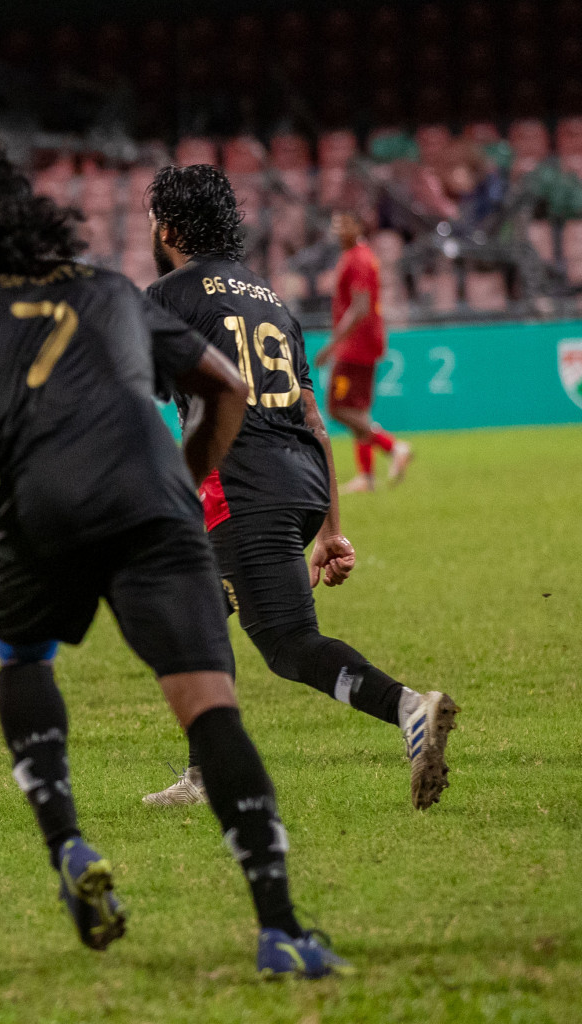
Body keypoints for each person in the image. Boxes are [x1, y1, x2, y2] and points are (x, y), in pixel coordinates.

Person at [0, 131, 349, 977]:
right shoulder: (114, 289)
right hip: (156, 506)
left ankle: (69, 846)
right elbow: (227, 389)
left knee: (24, 659)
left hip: (43, 504)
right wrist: (183, 481)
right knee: (211, 706)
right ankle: (281, 927)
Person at [142, 165, 459, 811]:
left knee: (288, 644)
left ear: (170, 227)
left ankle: (409, 708)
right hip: (301, 481)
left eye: (154, 219)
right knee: (192, 615)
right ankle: (206, 778)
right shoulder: (268, 297)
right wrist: (333, 527)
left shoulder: (170, 295)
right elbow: (313, 418)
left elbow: (138, 388)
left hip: (242, 485)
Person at [313, 207, 412, 492]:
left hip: (355, 346)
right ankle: (367, 476)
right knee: (357, 409)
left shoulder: (358, 259)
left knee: (337, 409)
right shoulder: (360, 256)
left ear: (359, 225)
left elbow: (360, 308)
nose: (338, 230)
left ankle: (393, 447)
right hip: (363, 343)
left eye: (344, 223)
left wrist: (332, 346)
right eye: (335, 224)